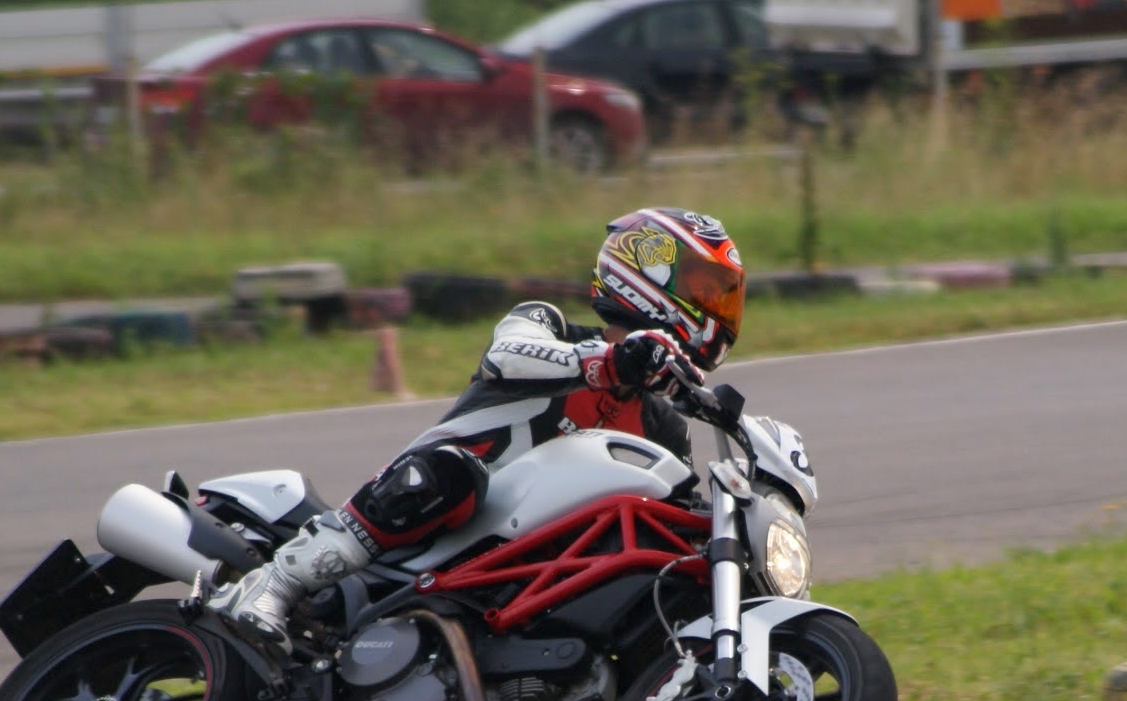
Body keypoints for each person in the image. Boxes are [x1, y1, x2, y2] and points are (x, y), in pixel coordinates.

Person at [209, 207, 747, 651]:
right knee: (450, 472)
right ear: (647, 274)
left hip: (527, 574)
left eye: (723, 296)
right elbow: (506, 356)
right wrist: (611, 362)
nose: (716, 309)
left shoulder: (664, 426)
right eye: (704, 290)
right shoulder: (548, 326)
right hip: (439, 521)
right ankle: (276, 583)